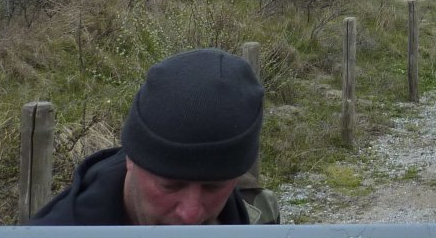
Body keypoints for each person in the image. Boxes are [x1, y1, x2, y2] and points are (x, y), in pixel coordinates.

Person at [32, 48, 280, 225]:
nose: (190, 214)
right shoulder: (59, 232)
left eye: (212, 186)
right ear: (131, 158)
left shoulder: (259, 218)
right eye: (170, 185)